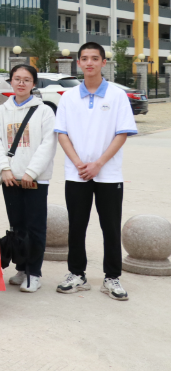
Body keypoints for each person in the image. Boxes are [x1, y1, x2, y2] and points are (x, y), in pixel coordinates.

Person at [54, 42, 136, 300]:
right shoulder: (68, 97)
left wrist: (98, 163)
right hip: (76, 173)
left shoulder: (117, 95)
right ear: (78, 62)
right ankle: (76, 274)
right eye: (85, 58)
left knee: (110, 227)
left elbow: (122, 134)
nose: (89, 63)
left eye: (95, 58)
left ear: (103, 62)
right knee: (76, 226)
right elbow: (62, 134)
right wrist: (79, 163)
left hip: (108, 174)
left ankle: (112, 277)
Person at [0, 64, 57, 293]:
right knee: (16, 226)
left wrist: (32, 172)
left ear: (33, 83)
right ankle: (21, 268)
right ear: (11, 81)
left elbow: (48, 144)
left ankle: (34, 272)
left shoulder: (44, 111)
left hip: (36, 179)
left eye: (26, 79)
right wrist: (4, 168)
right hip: (10, 178)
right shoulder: (2, 111)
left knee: (35, 227)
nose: (21, 83)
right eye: (17, 78)